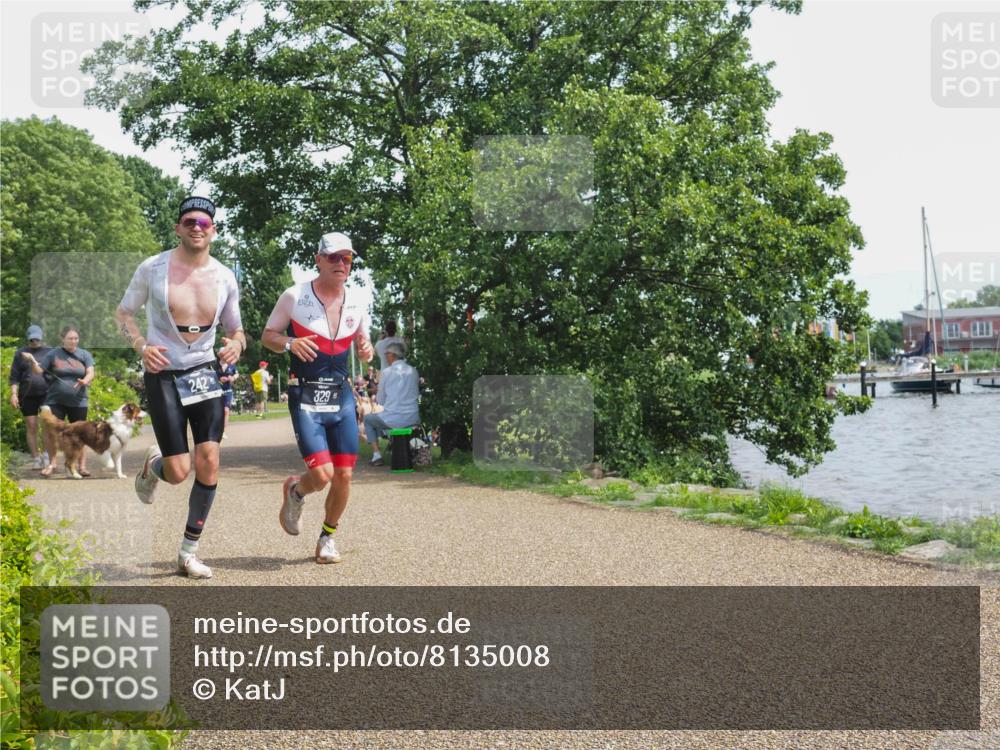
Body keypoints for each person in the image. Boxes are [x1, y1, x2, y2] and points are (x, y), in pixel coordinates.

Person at [115, 195, 245, 580]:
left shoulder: (224, 276)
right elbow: (123, 314)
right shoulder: (152, 268)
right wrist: (141, 346)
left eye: (204, 223)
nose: (196, 228)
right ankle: (153, 468)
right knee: (178, 471)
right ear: (178, 227)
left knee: (209, 459)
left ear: (214, 231)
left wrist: (236, 344)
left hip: (204, 371)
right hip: (165, 372)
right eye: (189, 221)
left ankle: (188, 552)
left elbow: (236, 329)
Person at [262, 231, 373, 564]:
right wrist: (290, 343)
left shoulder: (358, 299)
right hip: (307, 396)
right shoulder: (295, 296)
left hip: (341, 397)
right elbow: (268, 336)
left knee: (344, 475)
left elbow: (362, 343)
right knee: (322, 475)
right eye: (334, 257)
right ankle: (296, 491)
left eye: (347, 258)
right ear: (319, 259)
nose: (341, 264)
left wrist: (365, 349)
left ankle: (327, 537)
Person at [21, 325, 95, 477]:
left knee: (81, 433)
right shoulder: (53, 354)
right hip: (55, 400)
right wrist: (32, 361)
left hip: (79, 400)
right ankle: (52, 464)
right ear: (62, 339)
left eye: (76, 338)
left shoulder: (84, 354)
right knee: (50, 432)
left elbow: (90, 372)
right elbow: (39, 371)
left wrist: (85, 381)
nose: (73, 341)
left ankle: (81, 466)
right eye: (70, 338)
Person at [363, 341, 420, 466]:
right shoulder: (413, 371)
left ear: (392, 355)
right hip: (413, 416)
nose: (385, 356)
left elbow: (381, 400)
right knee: (377, 419)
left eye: (386, 353)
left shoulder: (387, 372)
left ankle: (377, 456)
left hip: (394, 418)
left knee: (368, 419)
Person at [8, 325, 52, 469]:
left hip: (46, 393)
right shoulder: (20, 353)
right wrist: (14, 394)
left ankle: (47, 455)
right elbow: (14, 376)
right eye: (32, 339)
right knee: (31, 426)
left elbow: (50, 371)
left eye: (37, 339)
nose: (35, 342)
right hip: (27, 395)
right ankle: (36, 458)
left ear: (42, 337)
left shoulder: (49, 351)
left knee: (46, 426)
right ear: (28, 338)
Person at [219, 362, 239, 438]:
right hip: (216, 392)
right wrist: (219, 379)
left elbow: (237, 374)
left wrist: (233, 378)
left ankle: (223, 432)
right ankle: (215, 431)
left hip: (228, 391)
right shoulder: (215, 364)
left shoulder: (232, 365)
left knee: (226, 411)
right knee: (217, 412)